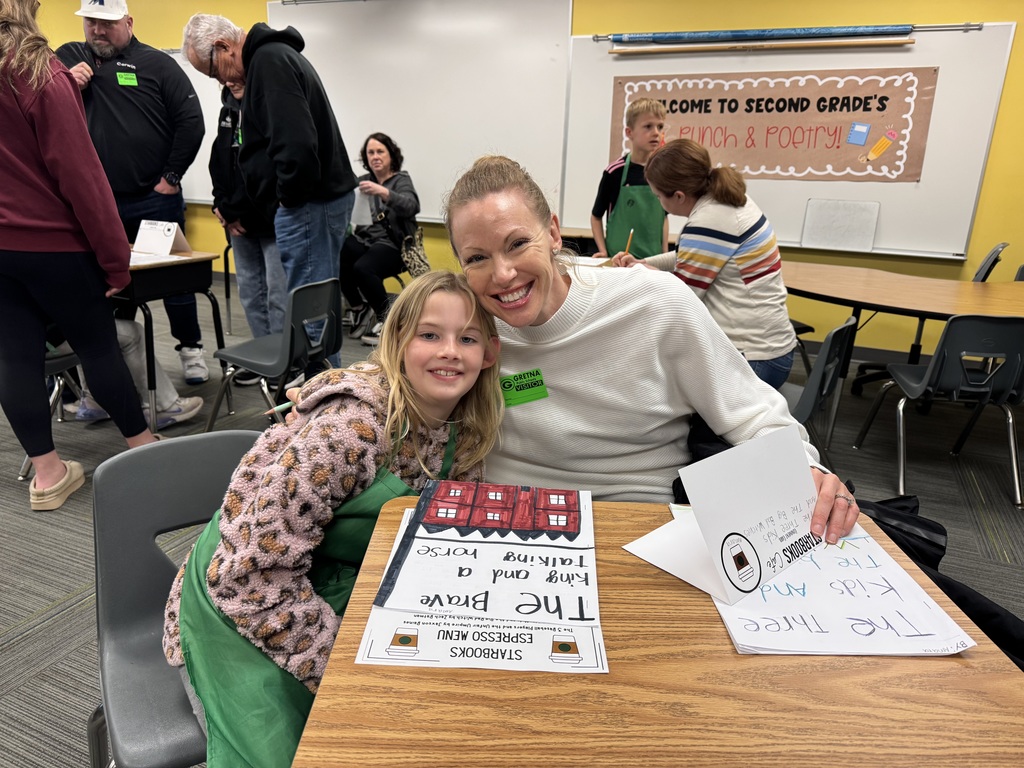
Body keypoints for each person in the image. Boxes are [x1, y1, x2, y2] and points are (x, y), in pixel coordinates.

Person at [162, 271, 502, 767]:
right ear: (397, 340)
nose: (450, 350)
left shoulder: (464, 423)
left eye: (467, 338)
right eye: (430, 335)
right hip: (242, 602)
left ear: (487, 354)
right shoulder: (350, 429)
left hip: (337, 581)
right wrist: (347, 672)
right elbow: (245, 577)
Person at [445, 156, 859, 546]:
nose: (502, 274)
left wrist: (804, 468)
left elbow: (753, 413)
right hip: (500, 526)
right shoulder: (464, 326)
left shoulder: (653, 303)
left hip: (638, 529)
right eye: (477, 257)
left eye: (517, 243)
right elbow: (393, 390)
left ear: (553, 233)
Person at [0, 0, 159, 511]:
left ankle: (47, 476)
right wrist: (116, 259)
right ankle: (141, 449)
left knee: (14, 357)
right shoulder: (40, 72)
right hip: (54, 245)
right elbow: (82, 177)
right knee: (98, 347)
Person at [181, 13, 358, 371]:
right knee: (314, 312)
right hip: (311, 203)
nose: (220, 81)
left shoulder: (269, 62)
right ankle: (325, 399)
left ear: (223, 47)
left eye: (213, 71)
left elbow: (296, 146)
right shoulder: (271, 59)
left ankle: (324, 407)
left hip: (308, 204)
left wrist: (286, 202)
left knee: (311, 319)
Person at [56, 0, 210, 385]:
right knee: (110, 282)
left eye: (107, 24)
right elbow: (39, 106)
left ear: (128, 22)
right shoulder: (68, 58)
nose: (97, 31)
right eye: (91, 23)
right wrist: (65, 86)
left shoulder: (158, 64)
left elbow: (191, 122)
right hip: (98, 202)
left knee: (175, 280)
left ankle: (190, 348)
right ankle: (122, 355)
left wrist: (171, 177)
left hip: (153, 196)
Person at [614, 139, 799, 389]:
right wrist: (642, 262)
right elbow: (688, 256)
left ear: (678, 196)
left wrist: (643, 273)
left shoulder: (708, 221)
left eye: (658, 196)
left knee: (668, 390)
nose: (658, 202)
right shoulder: (726, 200)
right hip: (771, 348)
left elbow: (683, 298)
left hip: (755, 358)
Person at [209, 80, 286, 385]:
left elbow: (264, 170)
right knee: (251, 294)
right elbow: (221, 162)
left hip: (270, 219)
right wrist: (220, 206)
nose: (231, 83)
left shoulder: (266, 110)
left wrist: (231, 209)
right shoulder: (227, 110)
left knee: (278, 295)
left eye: (239, 79)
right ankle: (263, 357)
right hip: (237, 222)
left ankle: (283, 361)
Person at [341, 133, 422, 347]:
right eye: (370, 153)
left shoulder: (401, 179)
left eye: (380, 152)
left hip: (395, 246)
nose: (375, 157)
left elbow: (412, 206)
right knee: (338, 251)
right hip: (367, 243)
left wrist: (384, 192)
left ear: (390, 155)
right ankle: (359, 308)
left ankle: (389, 323)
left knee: (363, 268)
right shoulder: (362, 181)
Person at [59, 319, 204, 429]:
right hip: (57, 339)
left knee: (84, 327)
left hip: (42, 342)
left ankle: (94, 400)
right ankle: (163, 407)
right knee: (132, 332)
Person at [589, 97, 669, 260]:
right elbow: (596, 216)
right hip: (619, 262)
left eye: (660, 127)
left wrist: (665, 253)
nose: (656, 133)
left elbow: (664, 216)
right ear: (629, 132)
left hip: (652, 263)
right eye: (648, 126)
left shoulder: (663, 172)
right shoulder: (614, 172)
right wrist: (603, 251)